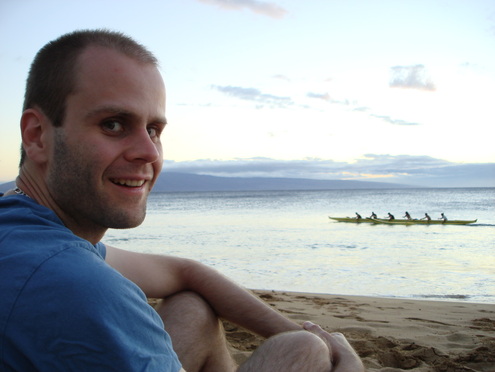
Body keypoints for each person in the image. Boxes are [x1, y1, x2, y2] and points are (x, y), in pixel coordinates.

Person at [0, 30, 363, 372]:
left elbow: (187, 272)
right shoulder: (80, 287)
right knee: (301, 353)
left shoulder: (22, 225)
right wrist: (336, 360)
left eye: (154, 130)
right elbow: (75, 282)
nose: (149, 152)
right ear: (37, 136)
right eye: (113, 124)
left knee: (194, 308)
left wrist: (317, 337)